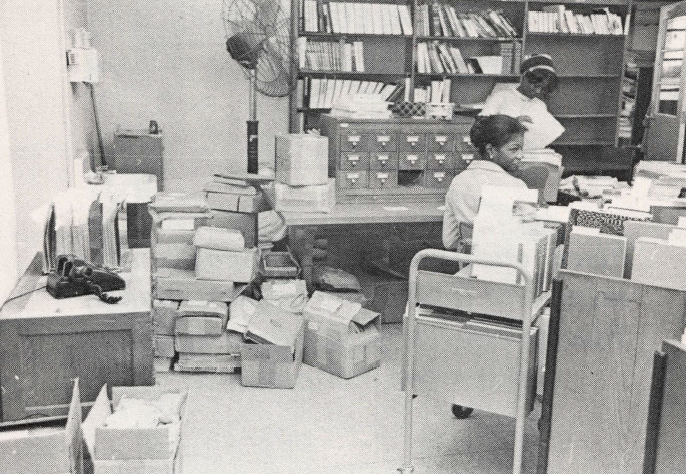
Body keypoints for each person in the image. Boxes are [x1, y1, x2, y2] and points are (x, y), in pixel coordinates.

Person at [442, 114, 529, 250]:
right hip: (508, 267)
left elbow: (449, 241)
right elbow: (528, 243)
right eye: (514, 149)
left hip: (469, 266)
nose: (520, 155)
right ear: (490, 150)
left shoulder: (458, 182)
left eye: (521, 149)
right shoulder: (517, 186)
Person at [479, 53, 559, 129]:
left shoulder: (540, 105)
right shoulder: (500, 97)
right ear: (524, 77)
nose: (538, 91)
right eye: (536, 86)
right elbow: (480, 126)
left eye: (542, 88)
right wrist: (513, 124)